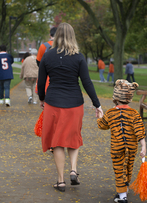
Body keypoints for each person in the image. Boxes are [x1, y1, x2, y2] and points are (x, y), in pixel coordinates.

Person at [38, 22, 103, 192]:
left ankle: (60, 181)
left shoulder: (47, 56)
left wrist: (42, 99)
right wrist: (97, 104)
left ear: (57, 36)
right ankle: (73, 170)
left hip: (53, 103)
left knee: (57, 142)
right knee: (73, 137)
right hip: (75, 103)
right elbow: (87, 83)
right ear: (72, 37)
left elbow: (41, 81)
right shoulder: (79, 57)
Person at [97, 79, 146, 203]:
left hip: (117, 147)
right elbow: (139, 131)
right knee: (128, 167)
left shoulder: (111, 113)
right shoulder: (134, 114)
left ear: (116, 97)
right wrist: (143, 146)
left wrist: (100, 116)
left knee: (119, 169)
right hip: (131, 147)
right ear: (129, 97)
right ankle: (125, 188)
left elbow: (102, 125)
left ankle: (122, 196)